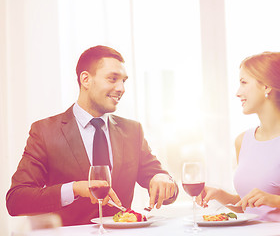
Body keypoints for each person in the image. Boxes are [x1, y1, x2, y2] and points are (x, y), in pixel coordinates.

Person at [6, 45, 178, 226]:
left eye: (124, 81)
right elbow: (16, 201)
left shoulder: (132, 131)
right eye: (112, 79)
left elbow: (164, 188)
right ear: (86, 79)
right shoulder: (45, 132)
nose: (121, 88)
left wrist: (163, 179)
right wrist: (75, 189)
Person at [197, 52, 280, 226]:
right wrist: (220, 195)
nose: (238, 92)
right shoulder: (242, 141)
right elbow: (252, 208)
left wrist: (276, 201)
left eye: (244, 82)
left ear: (266, 87)